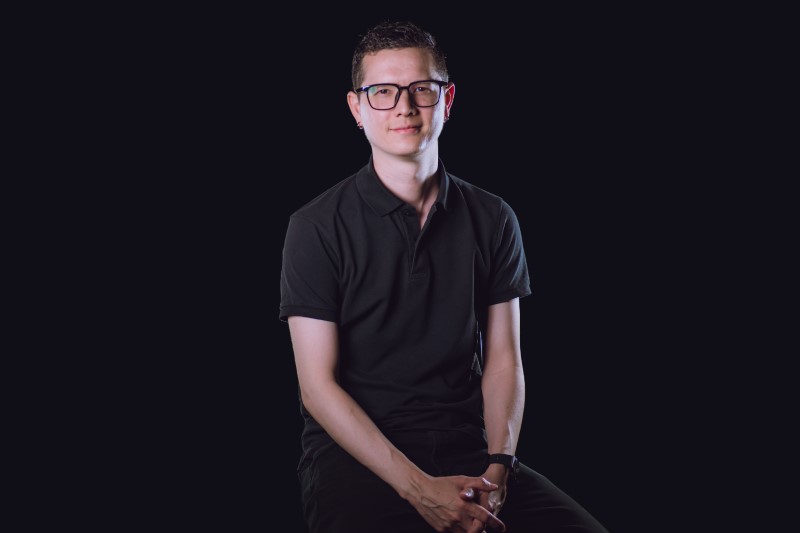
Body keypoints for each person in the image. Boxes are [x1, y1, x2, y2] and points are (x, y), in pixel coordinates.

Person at [279, 20, 608, 533]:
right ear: (357, 109)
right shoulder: (315, 226)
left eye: (421, 90)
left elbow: (504, 362)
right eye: (383, 92)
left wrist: (499, 467)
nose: (405, 107)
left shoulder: (493, 217)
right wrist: (418, 490)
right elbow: (317, 388)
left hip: (467, 448)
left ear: (447, 99)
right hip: (357, 458)